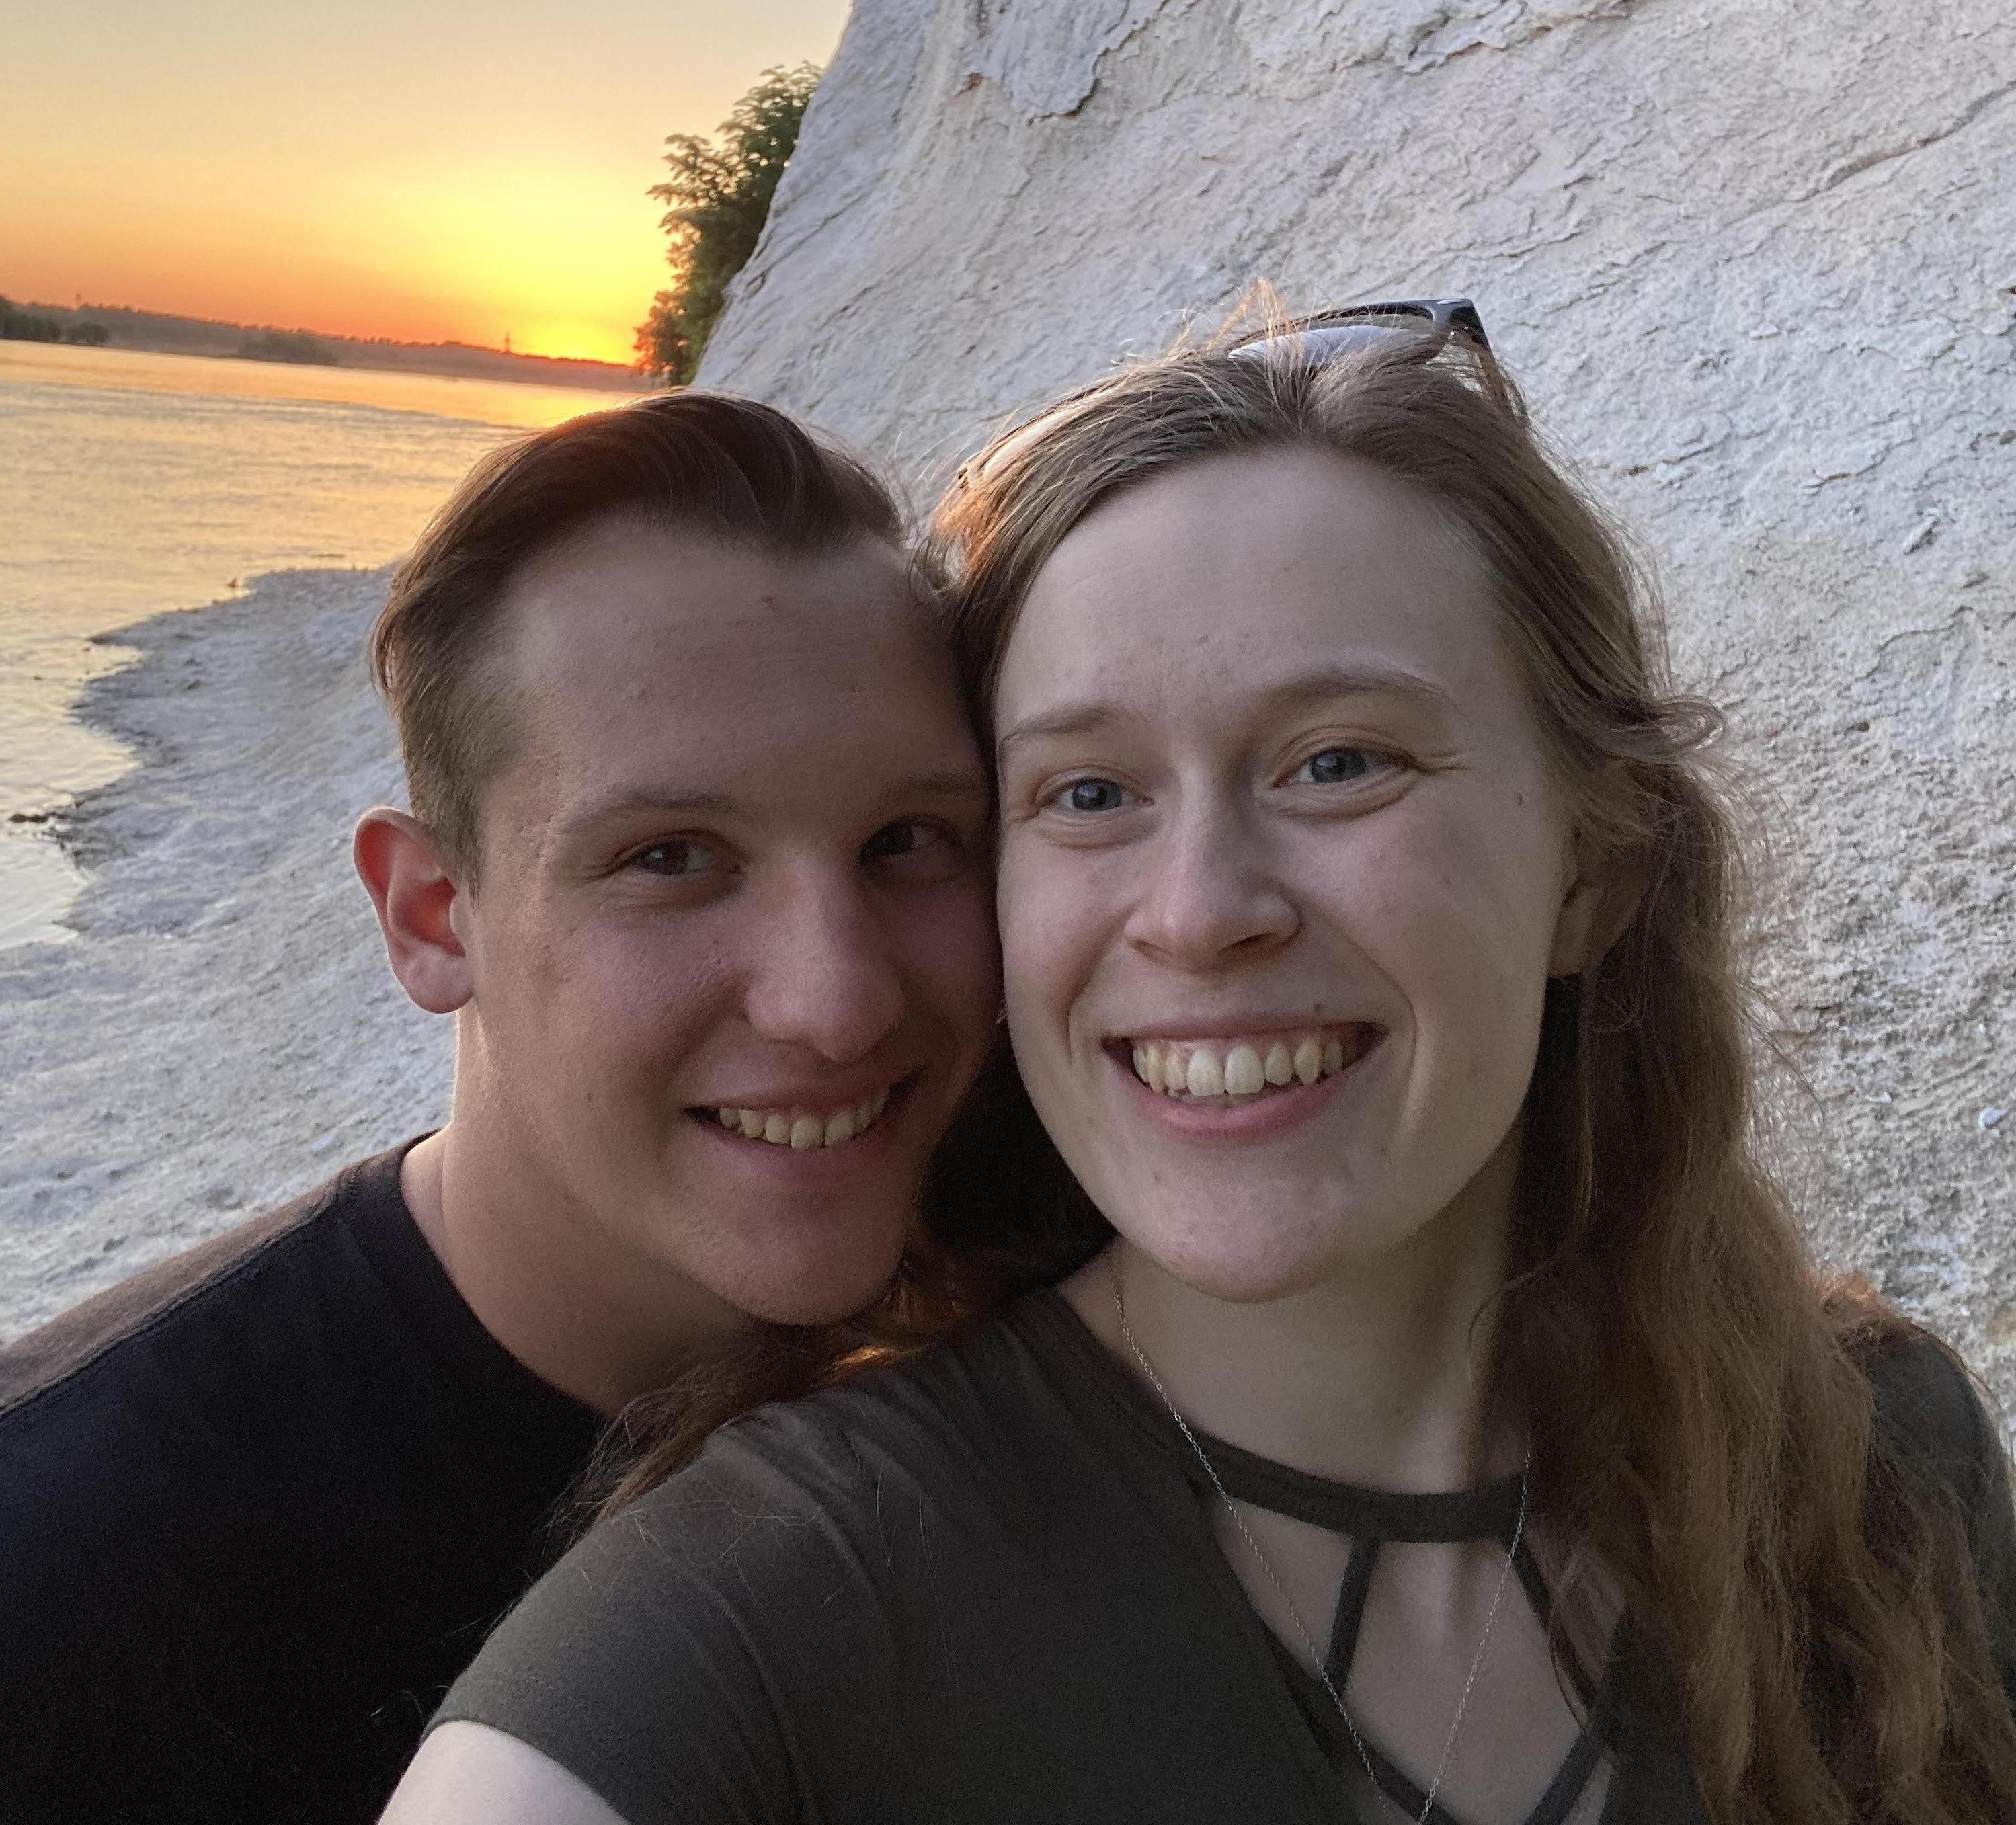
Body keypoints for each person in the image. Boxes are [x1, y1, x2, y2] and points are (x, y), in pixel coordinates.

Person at [390, 307, 2016, 1824]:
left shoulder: (1876, 1461)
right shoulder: (777, 1601)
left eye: (1338, 761)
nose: (1202, 911)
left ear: (1592, 867)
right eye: (1087, 792)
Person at [0, 392, 1003, 1824]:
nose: (836, 1001)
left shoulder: (1050, 1341)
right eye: (671, 856)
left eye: (908, 839)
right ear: (432, 916)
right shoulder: (64, 1589)